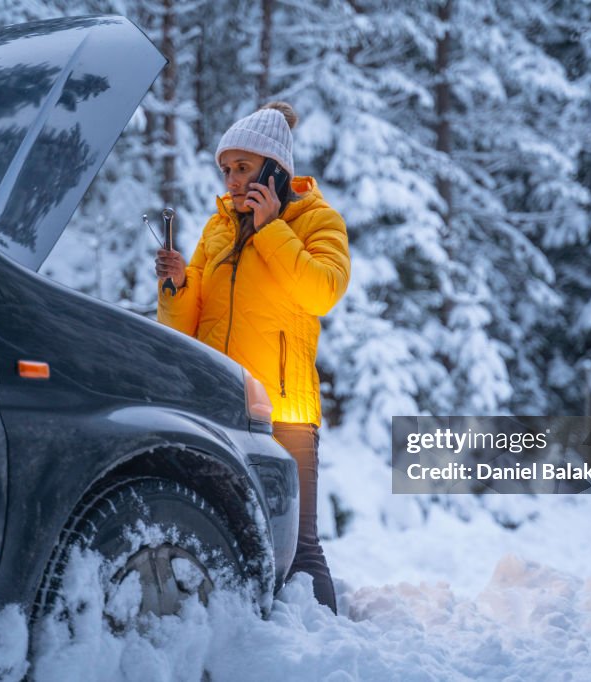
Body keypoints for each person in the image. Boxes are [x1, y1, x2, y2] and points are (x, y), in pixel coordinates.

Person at [155, 101, 350, 614]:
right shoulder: (217, 228)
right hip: (221, 409)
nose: (233, 181)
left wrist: (271, 229)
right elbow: (187, 328)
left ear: (273, 169)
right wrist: (177, 286)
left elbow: (323, 292)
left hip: (283, 415)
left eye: (243, 168)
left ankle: (335, 650)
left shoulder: (316, 220)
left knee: (300, 550)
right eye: (226, 170)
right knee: (233, 541)